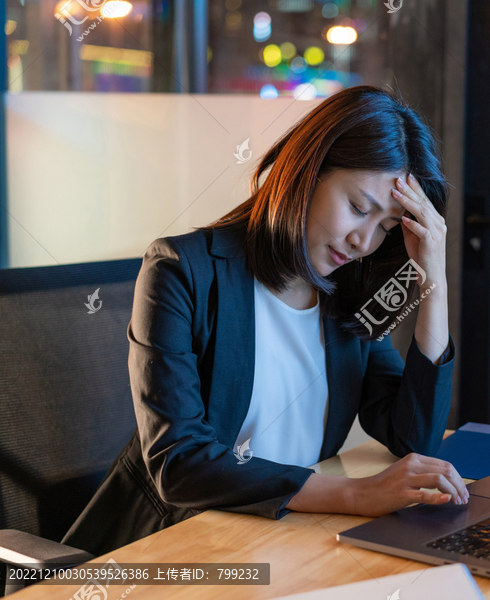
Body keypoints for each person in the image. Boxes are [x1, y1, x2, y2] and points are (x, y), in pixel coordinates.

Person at [61, 85, 467, 557]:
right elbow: (180, 465)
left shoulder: (347, 297)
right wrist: (356, 494)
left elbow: (412, 436)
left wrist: (432, 281)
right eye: (358, 208)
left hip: (286, 540)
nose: (364, 241)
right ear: (307, 172)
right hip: (173, 548)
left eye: (387, 227)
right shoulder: (182, 271)